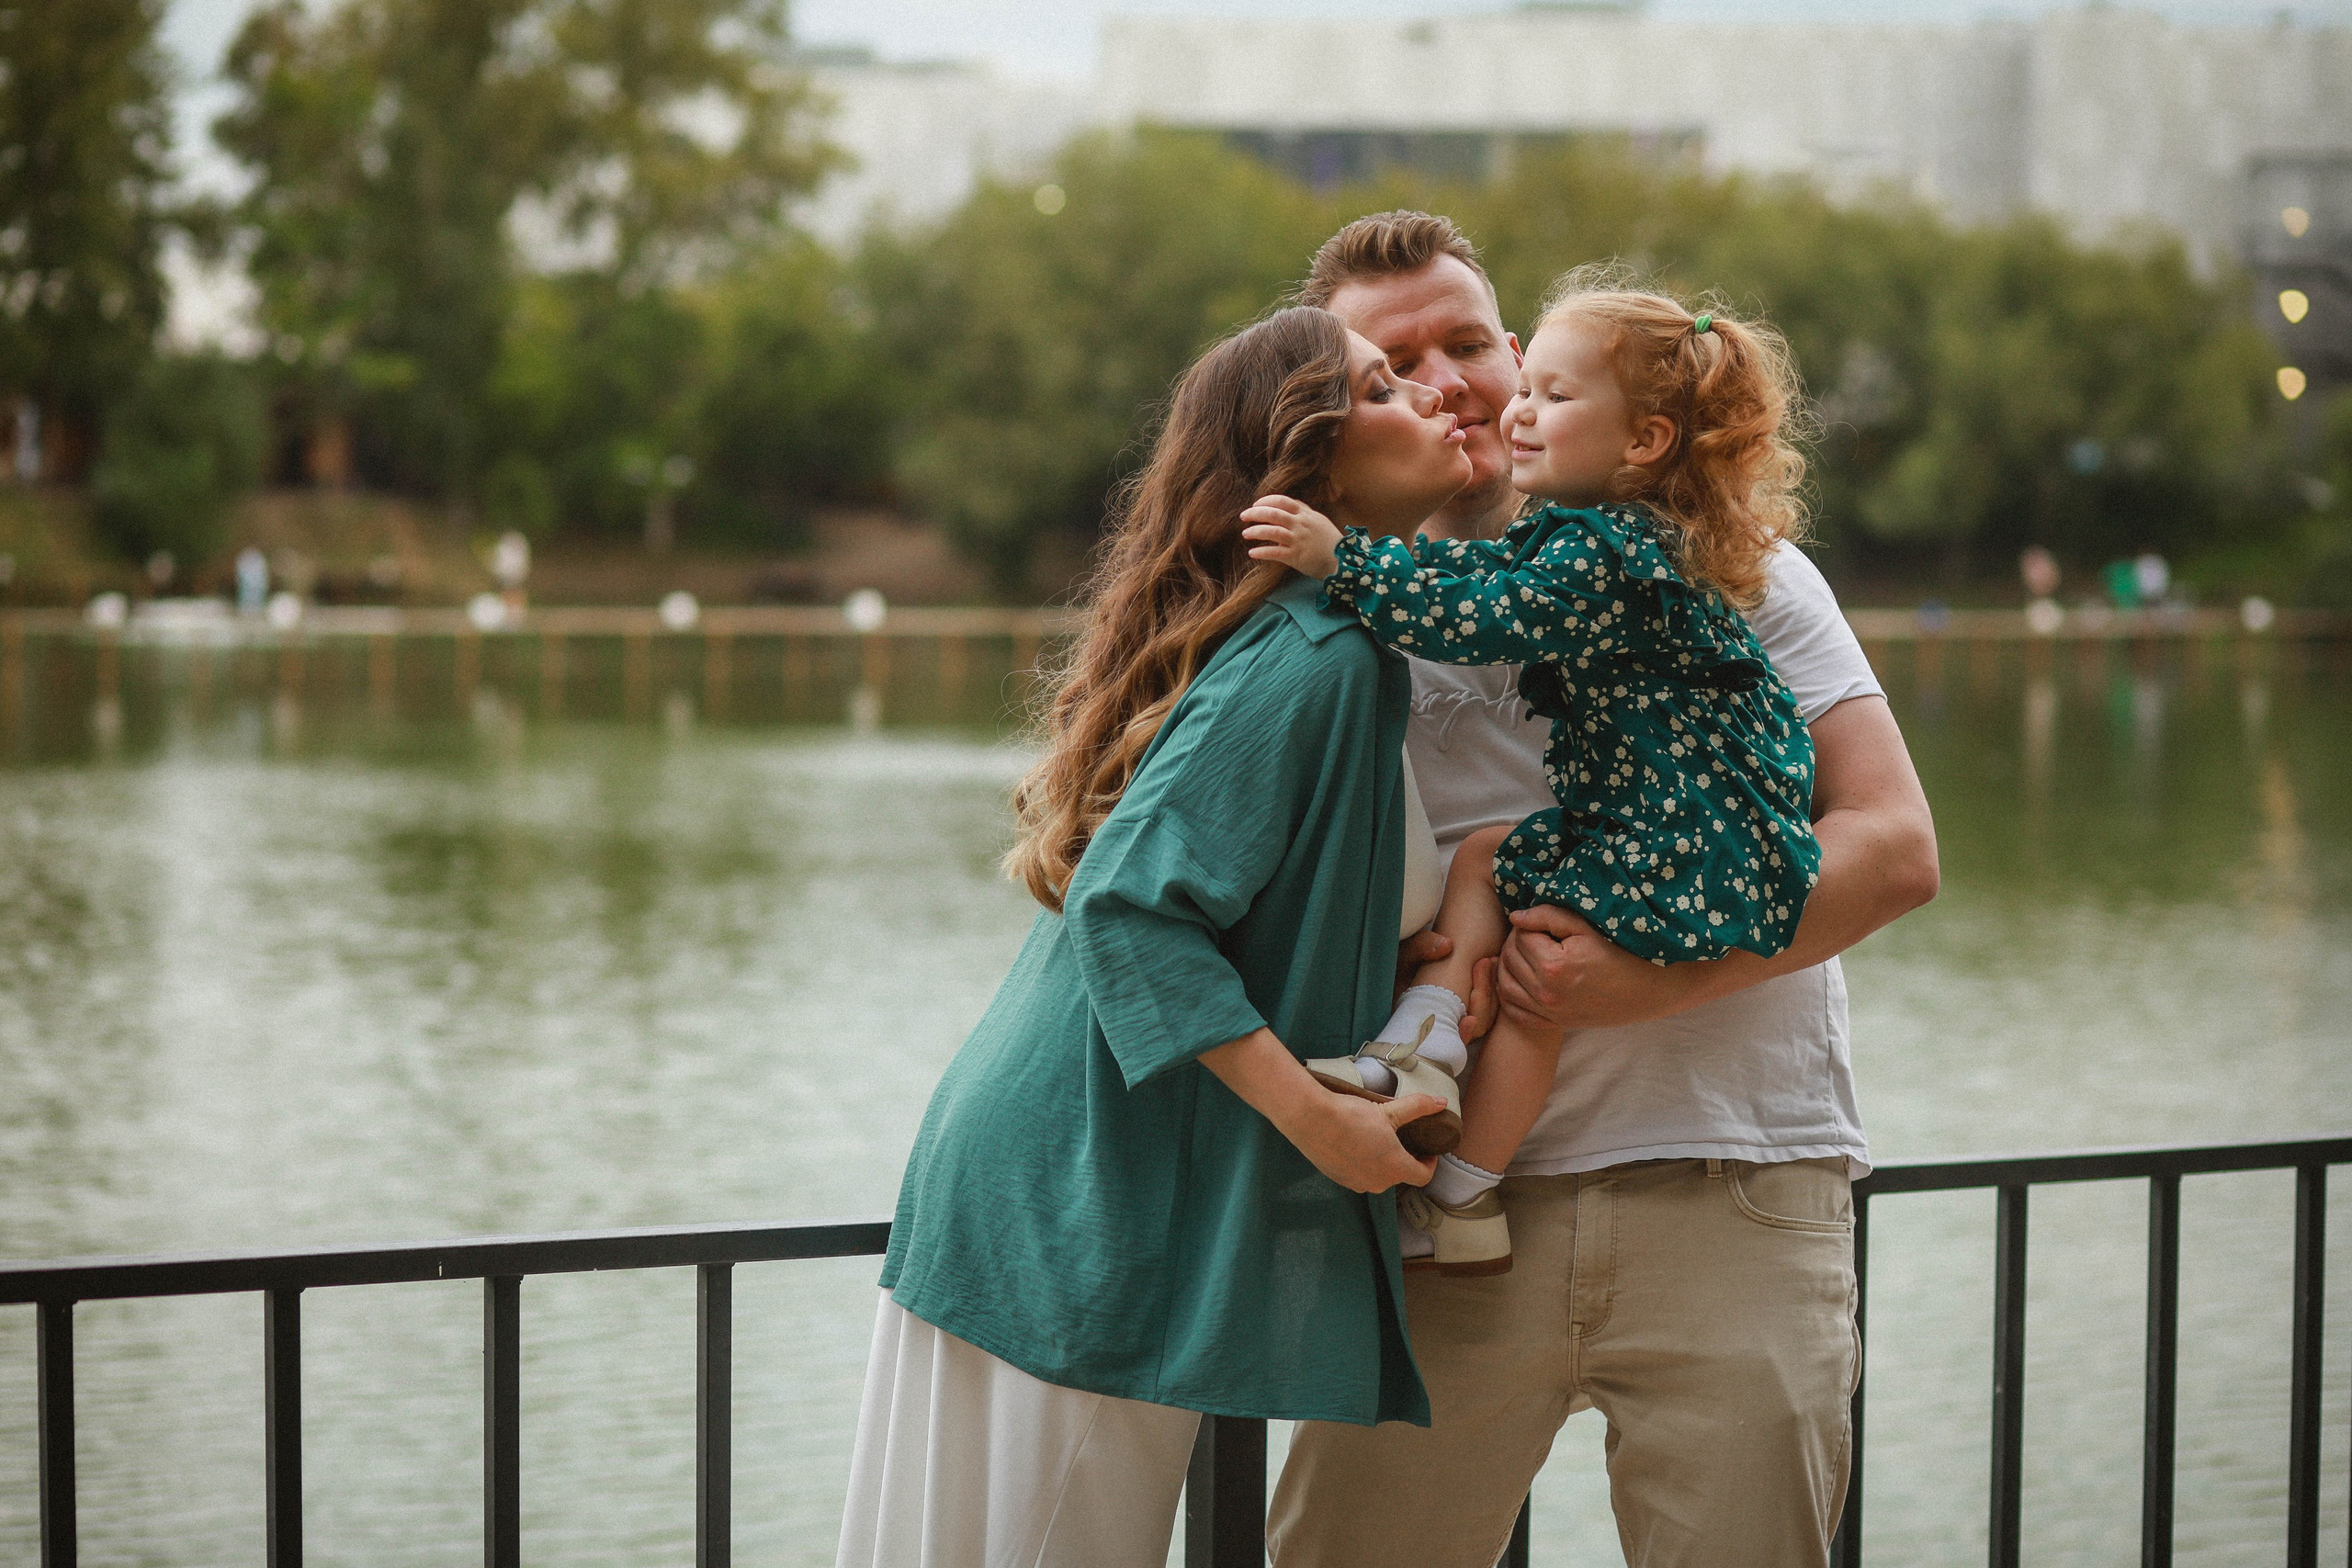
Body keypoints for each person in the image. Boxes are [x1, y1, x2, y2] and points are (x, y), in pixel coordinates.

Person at [1267, 214, 1939, 1568]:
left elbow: (1892, 843)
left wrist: (1657, 975)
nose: (1449, 379)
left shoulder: (1731, 565)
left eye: (1469, 340)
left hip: (1732, 1185)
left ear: (1522, 359)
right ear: (1341, 402)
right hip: (1443, 1225)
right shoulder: (1309, 621)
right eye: (1395, 362)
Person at [835, 305, 1479, 1568]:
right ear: (1320, 464)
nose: (1435, 394)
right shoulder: (1320, 653)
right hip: (1087, 1196)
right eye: (1387, 384)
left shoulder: (1326, 638)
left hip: (1063, 1164)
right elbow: (1131, 909)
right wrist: (1320, 1119)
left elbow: (1253, 908)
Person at [1244, 272, 1824, 1278]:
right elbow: (1486, 582)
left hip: (1677, 847)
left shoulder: (1609, 548)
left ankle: (1465, 1189)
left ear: (1640, 442)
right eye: (1388, 373)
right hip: (1654, 821)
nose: (1497, 404)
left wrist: (1340, 560)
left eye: (1546, 394)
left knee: (1536, 992)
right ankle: (1423, 1036)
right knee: (1485, 862)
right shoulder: (1596, 538)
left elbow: (1477, 612)